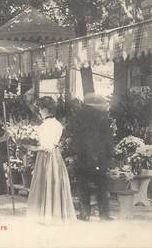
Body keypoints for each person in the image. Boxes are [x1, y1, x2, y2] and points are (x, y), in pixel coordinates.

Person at [24, 96, 76, 224]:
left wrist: (31, 147)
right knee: (55, 182)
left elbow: (46, 146)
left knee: (46, 181)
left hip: (46, 157)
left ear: (46, 110)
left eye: (40, 109)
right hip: (56, 156)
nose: (39, 112)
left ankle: (46, 215)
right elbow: (53, 144)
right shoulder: (58, 124)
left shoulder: (45, 125)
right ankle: (55, 213)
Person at [69, 93, 114, 221]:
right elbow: (108, 140)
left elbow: (75, 138)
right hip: (100, 157)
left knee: (83, 186)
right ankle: (104, 215)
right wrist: (109, 155)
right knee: (102, 186)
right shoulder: (103, 118)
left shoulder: (78, 117)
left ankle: (84, 213)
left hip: (83, 157)